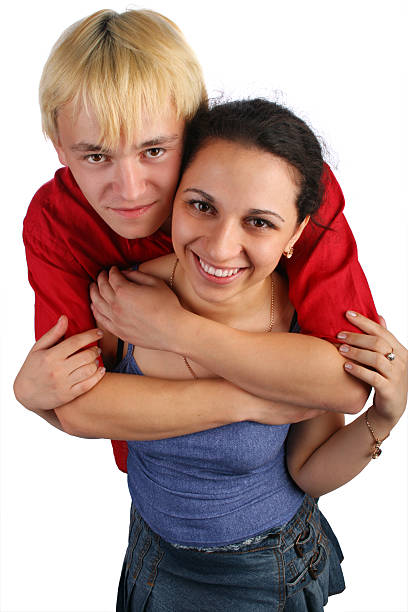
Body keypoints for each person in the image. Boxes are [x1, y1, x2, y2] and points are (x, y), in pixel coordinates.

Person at [47, 99, 408, 610]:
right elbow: (78, 407)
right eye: (202, 206)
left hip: (265, 569)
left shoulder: (301, 325)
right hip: (150, 554)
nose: (219, 247)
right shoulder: (121, 300)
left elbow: (310, 473)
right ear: (174, 196)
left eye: (259, 222)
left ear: (296, 236)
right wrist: (30, 395)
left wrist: (386, 418)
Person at [16, 8, 380, 473]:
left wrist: (174, 330)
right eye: (95, 155)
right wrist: (246, 400)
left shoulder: (279, 182)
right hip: (161, 477)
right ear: (58, 147)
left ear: (193, 126)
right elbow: (77, 402)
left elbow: (349, 383)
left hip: (286, 469)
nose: (130, 190)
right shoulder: (56, 221)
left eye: (154, 150)